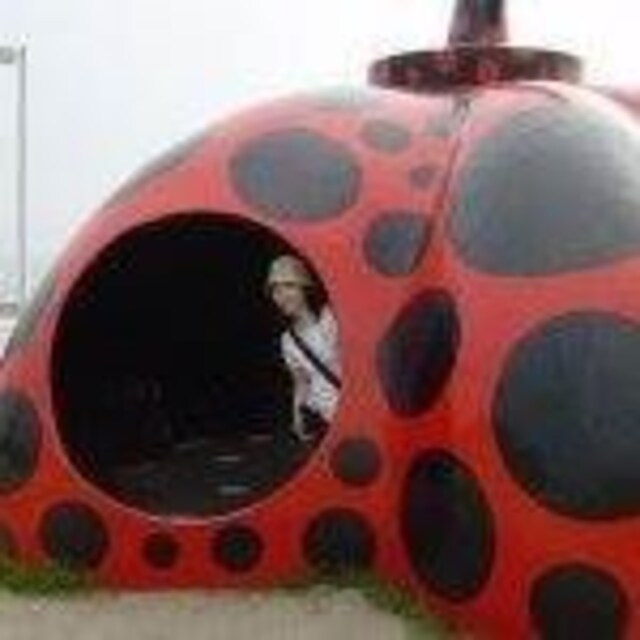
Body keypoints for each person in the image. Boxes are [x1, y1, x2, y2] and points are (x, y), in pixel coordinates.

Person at [266, 254, 341, 441]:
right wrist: (297, 418)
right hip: (322, 423)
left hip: (351, 413)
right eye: (275, 290)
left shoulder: (331, 318)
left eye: (289, 286)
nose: (282, 296)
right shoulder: (288, 340)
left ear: (304, 288)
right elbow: (301, 383)